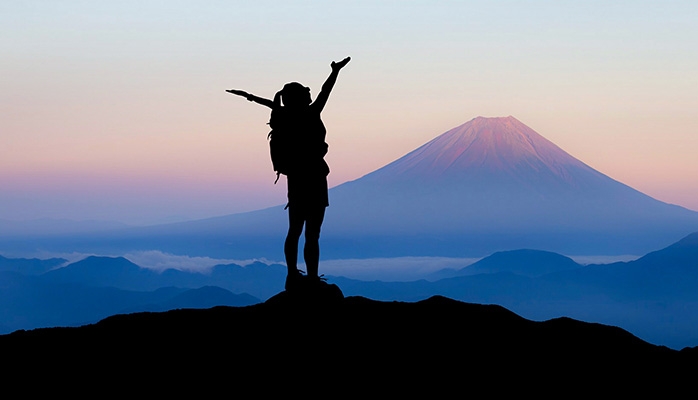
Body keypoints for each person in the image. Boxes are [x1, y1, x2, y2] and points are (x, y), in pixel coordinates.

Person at [227, 57, 350, 290]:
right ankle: (311, 277)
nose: (310, 95)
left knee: (295, 229)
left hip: (296, 179)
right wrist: (335, 72)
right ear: (302, 98)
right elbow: (326, 91)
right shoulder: (311, 114)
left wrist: (249, 97)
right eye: (306, 93)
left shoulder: (284, 117)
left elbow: (271, 105)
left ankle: (292, 274)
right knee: (313, 232)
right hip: (315, 177)